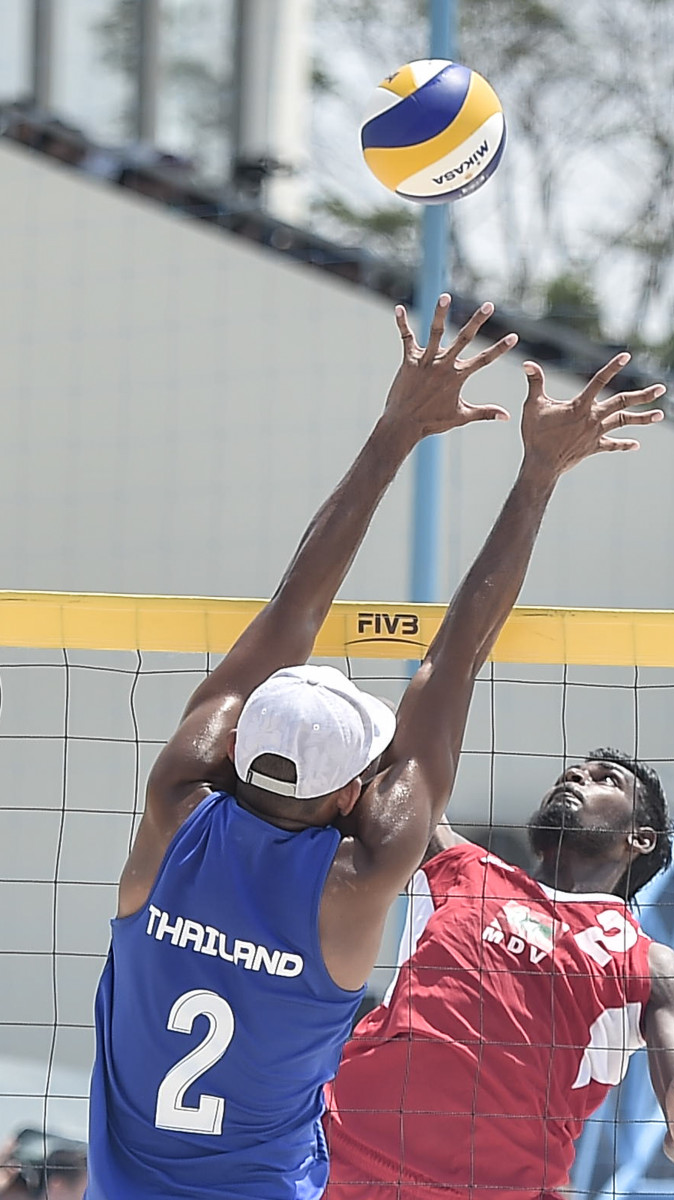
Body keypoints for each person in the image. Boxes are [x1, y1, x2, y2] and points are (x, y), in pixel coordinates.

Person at [84, 294, 519, 1200]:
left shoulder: (176, 807)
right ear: (355, 793)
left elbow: (295, 615)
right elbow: (452, 664)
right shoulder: (353, 878)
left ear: (233, 743)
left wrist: (396, 426)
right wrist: (543, 471)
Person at [324, 378, 674, 1200]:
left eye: (602, 779)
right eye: (574, 770)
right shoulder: (455, 866)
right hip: (344, 1170)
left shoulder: (649, 963)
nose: (575, 777)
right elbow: (451, 662)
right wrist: (535, 477)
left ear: (642, 840)